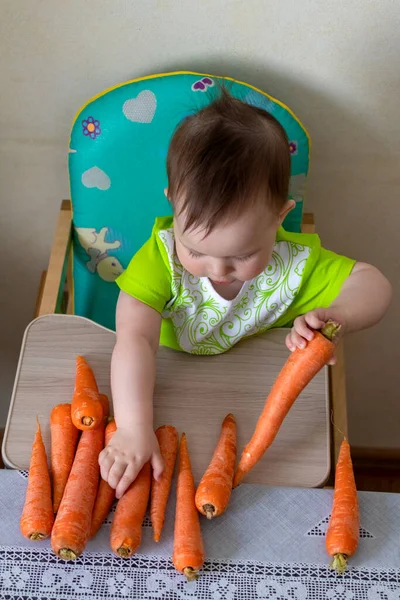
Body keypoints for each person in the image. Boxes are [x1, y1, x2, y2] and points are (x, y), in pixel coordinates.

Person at [99, 90, 392, 499]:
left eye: (242, 255)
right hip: (165, 381)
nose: (217, 269)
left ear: (280, 216)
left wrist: (336, 315)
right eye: (197, 251)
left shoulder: (292, 265)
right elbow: (134, 339)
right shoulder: (160, 260)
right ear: (173, 205)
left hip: (248, 396)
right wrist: (132, 427)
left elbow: (374, 284)